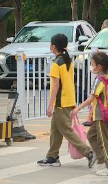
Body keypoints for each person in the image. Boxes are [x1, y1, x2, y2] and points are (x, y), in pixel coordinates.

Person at [37, 34, 96, 168]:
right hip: (69, 99)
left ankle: (89, 153)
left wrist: (50, 105)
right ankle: (52, 156)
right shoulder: (68, 61)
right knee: (55, 130)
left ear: (53, 47)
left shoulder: (56, 64)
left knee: (66, 130)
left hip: (61, 102)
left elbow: (56, 86)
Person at [73, 52, 108, 176]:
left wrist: (78, 108)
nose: (91, 66)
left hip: (101, 115)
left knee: (103, 142)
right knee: (92, 136)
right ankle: (102, 161)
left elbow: (92, 98)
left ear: (99, 66)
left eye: (92, 64)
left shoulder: (99, 79)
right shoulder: (107, 77)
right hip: (100, 115)